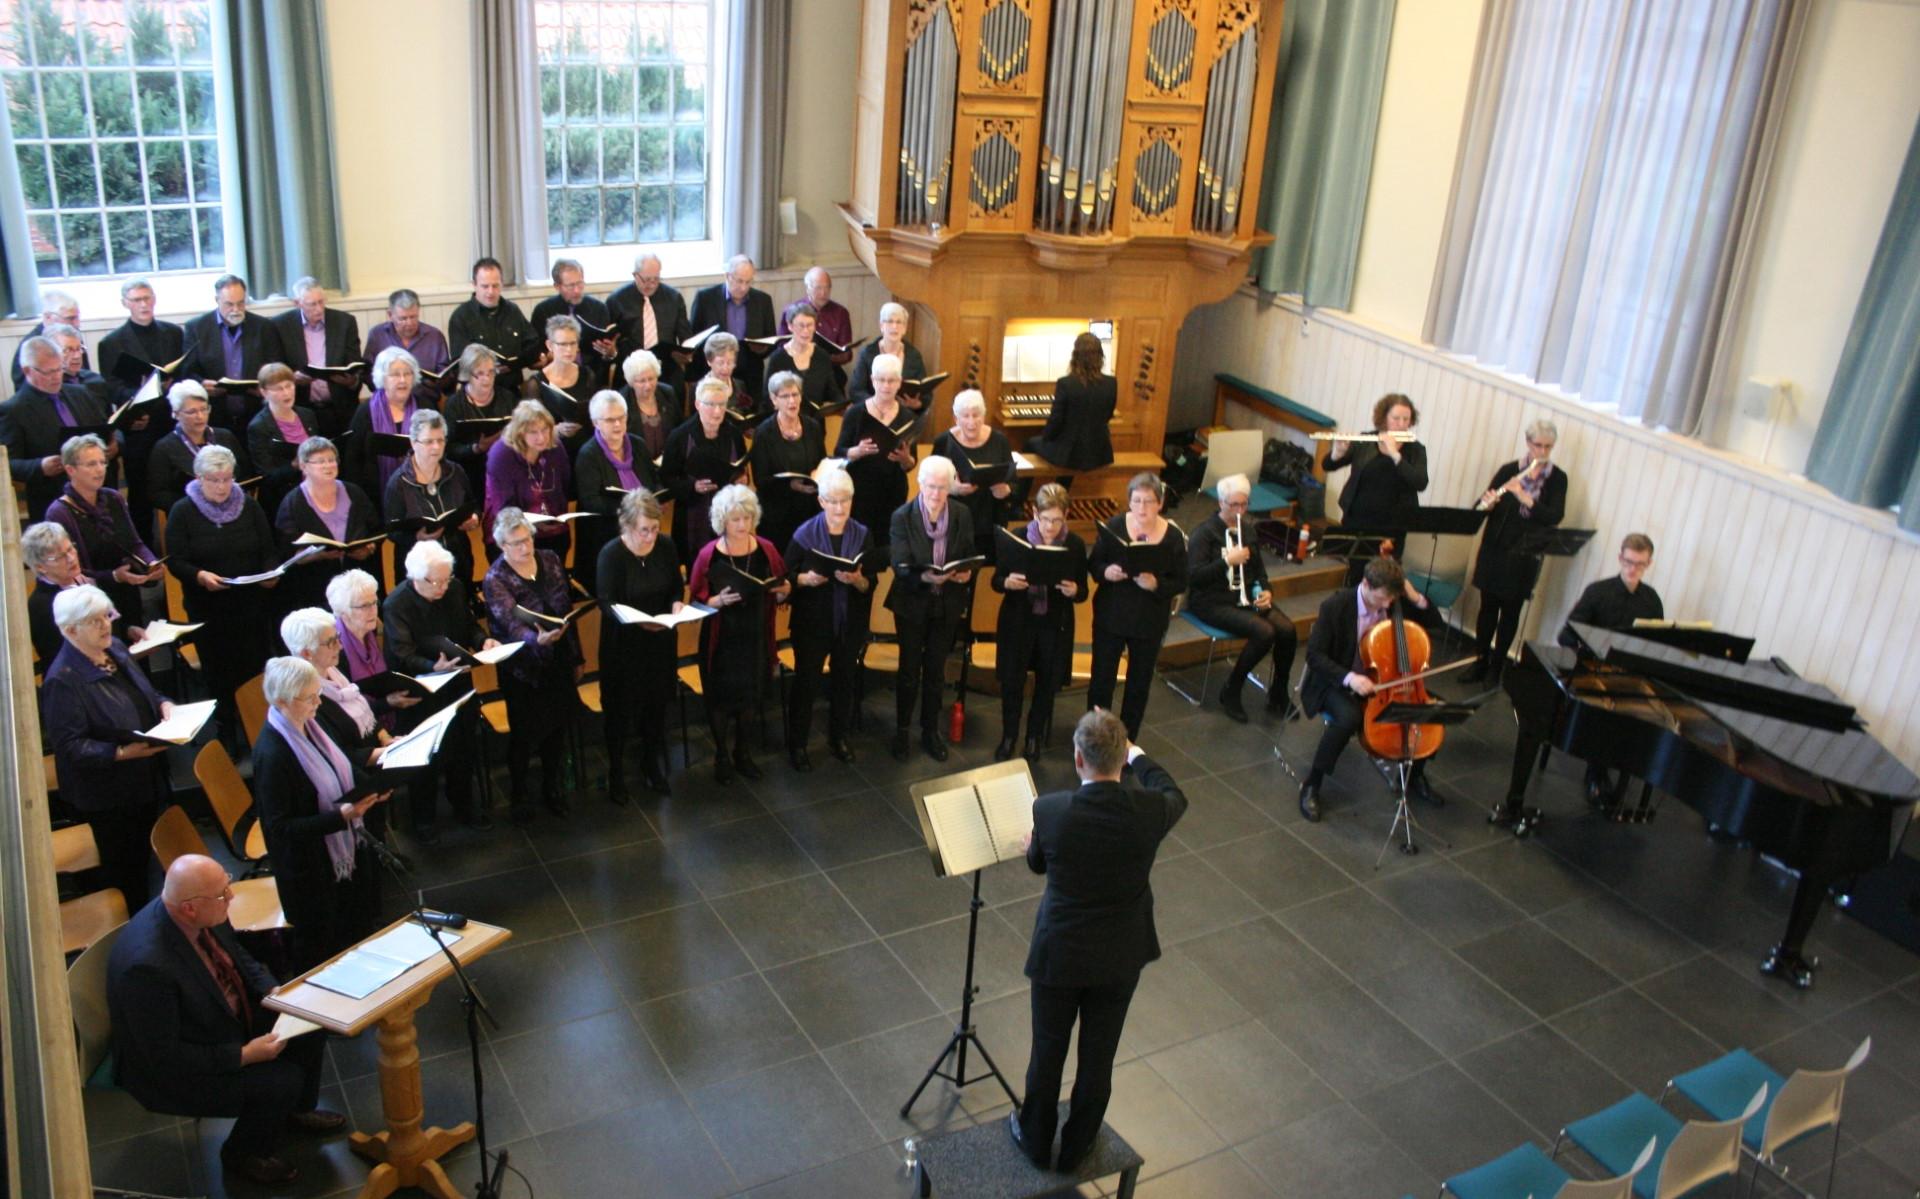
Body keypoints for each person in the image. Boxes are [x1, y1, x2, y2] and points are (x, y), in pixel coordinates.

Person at [1012, 709, 1187, 1173]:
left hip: (1060, 954)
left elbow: (1037, 863)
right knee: (1098, 1055)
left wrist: (1033, 845)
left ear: (1078, 759)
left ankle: (1035, 1139)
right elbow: (1175, 793)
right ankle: (1078, 1146)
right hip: (1120, 955)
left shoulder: (1051, 812)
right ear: (1121, 759)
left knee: (1047, 1050)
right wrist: (1139, 757)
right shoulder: (1150, 811)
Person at [107, 853, 342, 1188]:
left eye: (226, 885)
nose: (230, 897)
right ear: (189, 908)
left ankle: (296, 1110)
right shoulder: (146, 968)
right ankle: (243, 1154)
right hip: (180, 1064)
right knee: (281, 1080)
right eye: (222, 894)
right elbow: (165, 1057)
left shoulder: (204, 910)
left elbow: (238, 956)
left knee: (310, 1025)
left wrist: (271, 991)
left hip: (219, 1015)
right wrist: (244, 1055)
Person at [251, 654, 392, 972]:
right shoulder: (273, 753)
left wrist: (372, 787)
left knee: (352, 930)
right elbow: (280, 828)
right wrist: (340, 817)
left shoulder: (309, 725)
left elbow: (341, 766)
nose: (318, 702)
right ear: (282, 701)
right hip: (308, 871)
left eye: (317, 693)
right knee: (323, 950)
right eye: (310, 697)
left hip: (333, 857)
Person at [41, 585, 177, 908]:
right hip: (110, 794)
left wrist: (164, 704)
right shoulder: (62, 680)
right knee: (128, 871)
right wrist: (120, 753)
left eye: (106, 615)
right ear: (70, 630)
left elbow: (146, 692)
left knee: (149, 857)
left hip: (144, 776)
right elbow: (70, 746)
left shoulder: (114, 648)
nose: (106, 625)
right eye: (94, 621)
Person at [1296, 555, 1445, 823]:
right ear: (1365, 584)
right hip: (1337, 680)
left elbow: (1436, 624)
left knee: (1433, 710)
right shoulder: (1336, 606)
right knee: (1349, 717)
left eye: (1392, 598)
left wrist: (1413, 597)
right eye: (1383, 598)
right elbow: (1315, 656)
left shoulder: (1394, 601)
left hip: (1383, 681)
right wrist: (1349, 678)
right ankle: (1312, 783)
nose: (1388, 604)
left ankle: (1415, 775)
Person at [164, 445, 280, 745]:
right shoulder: (183, 511)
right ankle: (226, 734)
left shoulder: (249, 506)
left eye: (227, 479)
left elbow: (267, 549)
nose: (222, 486)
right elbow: (175, 561)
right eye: (214, 480)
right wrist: (200, 576)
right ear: (199, 478)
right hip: (209, 609)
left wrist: (270, 572)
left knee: (255, 670)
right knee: (219, 675)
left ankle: (260, 733)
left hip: (251, 606)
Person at [386, 540, 498, 841]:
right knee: (426, 757)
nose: (443, 587)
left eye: (447, 579)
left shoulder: (455, 589)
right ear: (415, 577)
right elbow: (402, 653)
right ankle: (423, 820)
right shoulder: (396, 604)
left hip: (458, 683)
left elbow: (469, 625)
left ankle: (465, 806)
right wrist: (432, 667)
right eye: (436, 582)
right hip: (422, 691)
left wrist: (482, 640)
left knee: (464, 749)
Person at [484, 508, 584, 822]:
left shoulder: (550, 559)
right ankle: (519, 795)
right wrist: (535, 640)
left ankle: (552, 788)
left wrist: (577, 655)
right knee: (524, 735)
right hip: (522, 668)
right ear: (502, 545)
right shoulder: (495, 578)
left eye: (527, 539)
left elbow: (566, 608)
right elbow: (509, 622)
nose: (525, 547)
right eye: (516, 543)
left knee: (557, 729)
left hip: (558, 657)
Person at [1554, 532, 1664, 810]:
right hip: (1595, 670)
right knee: (1606, 710)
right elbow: (1566, 635)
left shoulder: (1652, 600)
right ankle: (1596, 773)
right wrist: (1591, 654)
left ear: (1649, 564)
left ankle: (1626, 766)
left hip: (1629, 674)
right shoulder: (1598, 592)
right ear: (1619, 558)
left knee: (1646, 710)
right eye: (1628, 562)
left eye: (1639, 564)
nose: (1632, 569)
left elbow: (1657, 645)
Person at [687, 484, 789, 782]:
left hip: (755, 635)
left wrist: (784, 590)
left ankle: (742, 753)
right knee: (720, 699)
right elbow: (695, 601)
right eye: (735, 520)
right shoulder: (708, 554)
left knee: (750, 697)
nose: (742, 525)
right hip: (721, 639)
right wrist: (717, 601)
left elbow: (783, 585)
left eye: (747, 518)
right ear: (722, 521)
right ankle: (721, 755)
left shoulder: (766, 549)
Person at [1185, 473, 1300, 721]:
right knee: (1264, 632)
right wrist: (1227, 561)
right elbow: (1194, 578)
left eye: (1244, 504)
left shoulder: (1247, 531)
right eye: (1234, 505)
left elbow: (1259, 571)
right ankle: (1232, 688)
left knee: (1287, 630)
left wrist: (1266, 590)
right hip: (1211, 601)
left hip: (1244, 596)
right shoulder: (1204, 534)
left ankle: (1279, 692)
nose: (1240, 511)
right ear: (1221, 503)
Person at [784, 462, 874, 769]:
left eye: (845, 500)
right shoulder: (804, 534)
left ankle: (839, 738)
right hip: (812, 622)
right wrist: (804, 580)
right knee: (806, 683)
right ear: (821, 501)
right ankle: (798, 745)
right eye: (833, 501)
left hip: (849, 622)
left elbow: (870, 581)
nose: (839, 508)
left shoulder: (862, 534)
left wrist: (858, 580)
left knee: (844, 680)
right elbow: (785, 577)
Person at [595, 491, 685, 800]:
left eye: (655, 529)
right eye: (643, 530)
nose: (650, 536)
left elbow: (675, 587)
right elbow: (606, 602)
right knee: (620, 712)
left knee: (656, 707)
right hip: (623, 644)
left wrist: (676, 604)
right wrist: (639, 622)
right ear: (628, 526)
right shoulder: (611, 554)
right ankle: (616, 773)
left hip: (660, 641)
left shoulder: (666, 546)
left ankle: (651, 764)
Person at [1464, 420, 1568, 682]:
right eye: (1537, 445)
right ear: (1528, 443)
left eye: (1548, 447)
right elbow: (1480, 506)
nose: (1542, 451)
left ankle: (1497, 668)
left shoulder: (1557, 478)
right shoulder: (1510, 470)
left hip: (1524, 557)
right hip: (1495, 550)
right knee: (1487, 608)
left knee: (1510, 613)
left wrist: (1524, 497)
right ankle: (1479, 661)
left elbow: (1554, 516)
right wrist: (1488, 503)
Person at [1086, 474, 1188, 740]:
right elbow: (1094, 564)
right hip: (1111, 616)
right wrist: (1106, 572)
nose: (1142, 508)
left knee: (1138, 686)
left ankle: (1127, 743)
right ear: (1129, 502)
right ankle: (1095, 739)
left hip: (1148, 620)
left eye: (1149, 501)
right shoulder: (1115, 526)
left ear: (1160, 503)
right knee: (1101, 681)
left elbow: (1181, 580)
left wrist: (1156, 584)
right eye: (1137, 501)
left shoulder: (1173, 537)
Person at [888, 456, 976, 762]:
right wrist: (925, 576)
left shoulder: (962, 514)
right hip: (912, 602)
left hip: (946, 602)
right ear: (919, 484)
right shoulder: (902, 516)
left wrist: (965, 574)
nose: (936, 494)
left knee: (937, 671)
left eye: (942, 487)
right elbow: (899, 564)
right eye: (931, 486)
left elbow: (968, 553)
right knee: (909, 670)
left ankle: (930, 731)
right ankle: (902, 731)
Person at [993, 483, 1088, 761]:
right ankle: (1009, 735)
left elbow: (1082, 590)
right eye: (1045, 519)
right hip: (1018, 621)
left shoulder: (1074, 545)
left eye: (1057, 520)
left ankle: (1033, 737)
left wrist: (1074, 591)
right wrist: (1007, 582)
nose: (1050, 527)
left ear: (1066, 516)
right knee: (1013, 681)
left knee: (1047, 682)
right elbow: (996, 580)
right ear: (1034, 513)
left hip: (1054, 623)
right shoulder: (1018, 538)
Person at [48, 434, 164, 628]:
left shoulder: (114, 498)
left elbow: (134, 543)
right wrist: (114, 576)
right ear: (70, 470)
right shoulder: (59, 512)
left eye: (103, 462)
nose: (100, 469)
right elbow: (71, 571)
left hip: (127, 593)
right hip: (90, 602)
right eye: (91, 464)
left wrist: (151, 563)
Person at [96, 279, 182, 535]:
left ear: (154, 299)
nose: (144, 304)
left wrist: (172, 383)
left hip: (171, 419)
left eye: (147, 298)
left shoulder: (173, 333)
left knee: (176, 485)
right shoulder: (111, 343)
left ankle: (177, 539)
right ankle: (143, 546)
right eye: (136, 300)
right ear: (125, 303)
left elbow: (184, 369)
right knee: (141, 492)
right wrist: (141, 392)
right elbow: (111, 386)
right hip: (139, 423)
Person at [1321, 393, 1428, 584]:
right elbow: (1328, 465)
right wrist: (1337, 453)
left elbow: (1420, 482)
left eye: (1406, 419)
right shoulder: (1367, 440)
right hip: (1358, 521)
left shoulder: (1415, 450)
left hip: (1393, 527)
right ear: (1384, 418)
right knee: (1356, 575)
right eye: (1396, 418)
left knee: (1384, 579)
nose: (1401, 424)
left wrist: (1395, 454)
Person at [3, 335, 113, 518]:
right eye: (48, 372)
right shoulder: (14, 410)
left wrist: (115, 442)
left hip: (96, 490)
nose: (56, 377)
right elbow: (8, 463)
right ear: (27, 371)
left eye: (59, 369)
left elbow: (106, 425)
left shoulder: (80, 393)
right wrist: (40, 466)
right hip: (53, 497)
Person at [280, 605, 398, 766]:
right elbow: (342, 757)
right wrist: (392, 752)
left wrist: (386, 738)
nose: (340, 646)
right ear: (307, 653)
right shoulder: (309, 699)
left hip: (378, 753)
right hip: (358, 772)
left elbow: (367, 714)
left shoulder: (334, 670)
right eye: (331, 642)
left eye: (338, 637)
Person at [274, 436, 380, 615]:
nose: (328, 465)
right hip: (314, 588)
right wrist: (317, 556)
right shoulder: (292, 503)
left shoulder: (354, 492)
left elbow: (375, 529)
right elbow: (287, 554)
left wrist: (369, 548)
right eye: (320, 461)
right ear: (304, 466)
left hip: (357, 582)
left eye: (331, 460)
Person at [574, 389, 663, 595]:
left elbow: (653, 480)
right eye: (610, 420)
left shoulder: (638, 444)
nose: (617, 424)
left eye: (621, 418)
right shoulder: (588, 454)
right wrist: (628, 510)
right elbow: (589, 500)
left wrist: (657, 495)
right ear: (596, 422)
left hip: (643, 532)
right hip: (607, 535)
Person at [24, 521, 142, 668]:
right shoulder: (41, 605)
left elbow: (101, 619)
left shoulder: (83, 577)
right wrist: (125, 656)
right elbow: (62, 659)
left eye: (70, 549)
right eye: (60, 557)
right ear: (40, 567)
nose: (71, 558)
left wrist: (127, 631)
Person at [385, 409, 480, 588]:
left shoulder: (456, 472)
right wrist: (417, 537)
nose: (436, 447)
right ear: (413, 442)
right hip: (420, 571)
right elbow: (392, 531)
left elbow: (472, 505)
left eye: (440, 440)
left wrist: (474, 517)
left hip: (458, 560)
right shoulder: (398, 483)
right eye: (429, 441)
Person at [181, 274, 285, 434]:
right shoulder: (196, 328)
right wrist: (202, 384)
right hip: (214, 415)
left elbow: (277, 366)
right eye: (229, 304)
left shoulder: (264, 327)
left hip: (256, 414)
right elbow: (187, 371)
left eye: (241, 303)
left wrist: (266, 385)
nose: (236, 309)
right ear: (217, 300)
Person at [835, 351, 917, 551]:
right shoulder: (855, 413)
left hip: (893, 490)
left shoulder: (907, 416)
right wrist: (856, 451)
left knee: (885, 547)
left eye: (891, 380)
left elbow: (911, 464)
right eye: (881, 380)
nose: (886, 386)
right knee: (858, 544)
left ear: (899, 382)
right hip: (860, 489)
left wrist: (905, 459)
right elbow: (838, 451)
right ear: (872, 380)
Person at [660, 376, 749, 562]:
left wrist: (742, 479)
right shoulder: (680, 436)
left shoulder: (734, 434)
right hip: (692, 513)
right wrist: (692, 486)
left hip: (728, 511)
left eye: (722, 404)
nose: (717, 411)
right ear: (697, 404)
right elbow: (667, 478)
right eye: (711, 404)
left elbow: (741, 468)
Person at [270, 276, 362, 438]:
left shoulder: (344, 322)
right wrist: (292, 377)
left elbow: (355, 365)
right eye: (312, 304)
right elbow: (275, 368)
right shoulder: (280, 325)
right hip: (300, 409)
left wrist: (351, 380)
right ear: (297, 303)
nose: (319, 309)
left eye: (321, 302)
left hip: (339, 408)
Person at [484, 400, 573, 564]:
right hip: (512, 532)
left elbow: (564, 485)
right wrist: (532, 524)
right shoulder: (501, 455)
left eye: (545, 429)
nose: (541, 437)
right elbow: (503, 508)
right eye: (533, 432)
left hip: (552, 528)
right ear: (520, 433)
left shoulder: (555, 447)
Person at [932, 388, 1015, 561]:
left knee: (985, 565)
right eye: (965, 416)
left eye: (976, 415)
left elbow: (1014, 482)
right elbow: (930, 483)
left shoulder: (999, 440)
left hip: (989, 516)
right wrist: (952, 488)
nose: (972, 422)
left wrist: (1006, 490)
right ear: (956, 419)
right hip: (954, 519)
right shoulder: (943, 442)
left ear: (983, 416)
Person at [749, 370, 828, 553]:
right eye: (785, 396)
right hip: (777, 515)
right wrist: (791, 485)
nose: (792, 401)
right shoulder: (763, 433)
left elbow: (822, 463)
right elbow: (760, 480)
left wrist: (820, 476)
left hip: (809, 510)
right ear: (774, 400)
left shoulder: (813, 427)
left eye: (795, 394)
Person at [147, 381, 247, 518]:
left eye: (204, 409)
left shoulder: (225, 436)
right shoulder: (164, 448)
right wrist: (195, 505)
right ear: (176, 414)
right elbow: (157, 494)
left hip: (230, 509)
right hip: (190, 515)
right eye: (192, 412)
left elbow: (244, 472)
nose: (200, 416)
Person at [1025, 332, 1115, 471]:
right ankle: (1062, 484)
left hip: (1071, 454)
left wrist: (1046, 438)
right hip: (1099, 454)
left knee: (1030, 443)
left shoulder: (1066, 383)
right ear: (1100, 357)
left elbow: (1056, 420)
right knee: (1065, 454)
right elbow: (1107, 415)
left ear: (1075, 356)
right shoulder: (1111, 383)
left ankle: (1024, 486)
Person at [689, 253, 776, 396]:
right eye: (739, 281)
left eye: (748, 282)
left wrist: (762, 349)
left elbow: (771, 337)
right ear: (728, 276)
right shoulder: (705, 298)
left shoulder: (763, 300)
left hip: (750, 371)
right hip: (715, 371)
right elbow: (695, 338)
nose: (743, 287)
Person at [447, 257, 540, 390]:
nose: (490, 292)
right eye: (485, 286)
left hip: (511, 388)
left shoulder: (512, 310)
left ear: (502, 284)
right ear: (474, 285)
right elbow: (459, 362)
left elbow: (533, 343)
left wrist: (516, 363)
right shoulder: (461, 316)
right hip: (477, 390)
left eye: (495, 286)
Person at [605, 252, 691, 393]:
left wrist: (685, 353)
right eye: (646, 280)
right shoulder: (616, 300)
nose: (651, 285)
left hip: (665, 366)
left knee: (676, 388)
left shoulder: (674, 298)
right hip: (630, 368)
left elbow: (685, 336)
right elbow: (610, 339)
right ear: (635, 275)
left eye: (656, 279)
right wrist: (612, 350)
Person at [246, 362, 320, 521]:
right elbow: (266, 476)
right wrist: (294, 466)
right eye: (279, 389)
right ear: (264, 392)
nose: (287, 392)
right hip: (285, 498)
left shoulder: (307, 415)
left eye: (289, 386)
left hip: (316, 489)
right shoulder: (259, 427)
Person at [345, 346, 421, 499]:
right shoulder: (365, 411)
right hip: (374, 493)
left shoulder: (424, 406)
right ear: (382, 378)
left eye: (407, 374)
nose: (402, 380)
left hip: (419, 490)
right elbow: (352, 459)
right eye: (395, 374)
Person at [530, 257, 619, 386]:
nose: (577, 290)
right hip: (556, 378)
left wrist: (611, 352)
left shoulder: (599, 308)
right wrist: (551, 354)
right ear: (557, 286)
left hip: (593, 377)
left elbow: (609, 355)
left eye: (580, 283)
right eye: (571, 286)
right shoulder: (543, 311)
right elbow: (536, 352)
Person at [363, 288, 453, 408]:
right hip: (387, 405)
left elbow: (445, 376)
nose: (409, 323)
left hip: (426, 404)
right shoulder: (377, 335)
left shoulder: (434, 336)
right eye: (403, 318)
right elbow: (367, 372)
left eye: (413, 317)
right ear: (390, 315)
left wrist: (437, 382)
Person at [443, 343, 513, 487]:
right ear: (467, 374)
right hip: (468, 473)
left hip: (504, 468)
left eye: (491, 372)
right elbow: (449, 449)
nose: (487, 379)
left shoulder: (507, 398)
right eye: (480, 374)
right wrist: (476, 448)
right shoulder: (454, 404)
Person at [525, 313, 594, 452]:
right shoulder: (536, 383)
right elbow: (531, 427)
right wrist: (555, 430)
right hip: (553, 448)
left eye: (573, 343)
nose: (569, 350)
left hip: (587, 446)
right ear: (550, 345)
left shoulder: (587, 374)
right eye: (562, 344)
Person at [765, 302, 844, 419]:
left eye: (810, 325)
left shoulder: (822, 356)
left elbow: (833, 391)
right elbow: (767, 398)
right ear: (790, 326)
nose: (806, 330)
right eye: (801, 326)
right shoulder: (778, 358)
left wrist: (843, 405)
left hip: (815, 422)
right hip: (785, 422)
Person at [847, 302, 930, 411]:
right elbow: (856, 390)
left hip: (904, 413)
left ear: (905, 328)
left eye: (899, 322)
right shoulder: (867, 353)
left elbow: (926, 395)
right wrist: (877, 404)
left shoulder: (914, 355)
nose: (894, 326)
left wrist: (918, 404)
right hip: (872, 412)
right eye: (890, 321)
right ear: (881, 326)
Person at [778, 266, 855, 382]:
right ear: (807, 288)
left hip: (830, 369)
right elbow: (781, 347)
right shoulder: (792, 311)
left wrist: (833, 357)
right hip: (796, 369)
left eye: (827, 288)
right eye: (818, 288)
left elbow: (846, 352)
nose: (823, 293)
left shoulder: (841, 313)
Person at [9, 288, 85, 389]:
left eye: (77, 317)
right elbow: (26, 389)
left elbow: (83, 374)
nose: (77, 323)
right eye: (70, 318)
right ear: (48, 317)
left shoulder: (73, 335)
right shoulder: (31, 347)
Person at [618, 348, 680, 464]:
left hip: (667, 461)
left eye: (651, 379)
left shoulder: (667, 393)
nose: (648, 386)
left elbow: (678, 429)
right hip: (636, 464)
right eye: (642, 381)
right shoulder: (622, 402)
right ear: (631, 382)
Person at [696, 331, 755, 422]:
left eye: (730, 363)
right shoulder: (699, 388)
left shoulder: (740, 385)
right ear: (709, 361)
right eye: (721, 363)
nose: (725, 368)